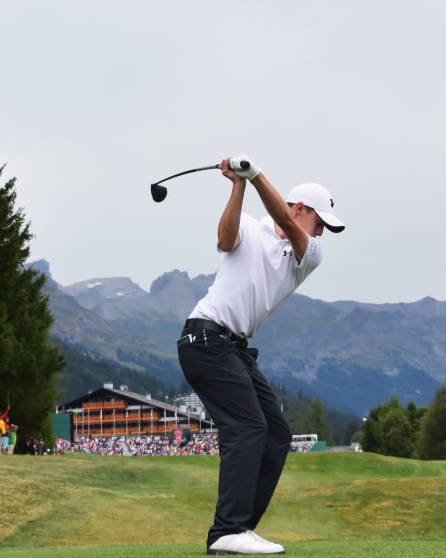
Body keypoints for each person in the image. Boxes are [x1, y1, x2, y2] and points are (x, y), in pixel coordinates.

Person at [176, 155, 344, 556]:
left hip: (231, 349)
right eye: (319, 221)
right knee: (249, 427)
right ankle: (227, 529)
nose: (321, 232)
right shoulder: (250, 227)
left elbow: (283, 220)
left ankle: (239, 528)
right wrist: (238, 186)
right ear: (300, 208)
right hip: (204, 338)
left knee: (276, 432)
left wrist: (253, 175)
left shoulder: (310, 252)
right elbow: (224, 240)